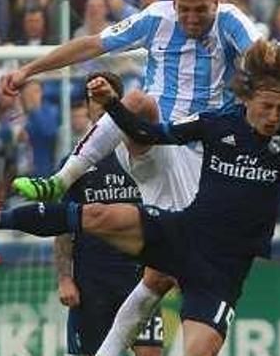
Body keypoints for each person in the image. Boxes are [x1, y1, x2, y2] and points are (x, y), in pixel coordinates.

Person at [0, 39, 280, 356]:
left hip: (222, 268)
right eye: (266, 106)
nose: (273, 117)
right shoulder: (218, 121)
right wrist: (115, 105)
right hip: (184, 231)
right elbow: (149, 134)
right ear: (247, 98)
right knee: (95, 214)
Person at [3, 0, 261, 200]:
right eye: (184, 9)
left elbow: (263, 56)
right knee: (138, 101)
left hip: (199, 146)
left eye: (201, 9)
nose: (192, 18)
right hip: (150, 135)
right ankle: (59, 181)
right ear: (173, 4)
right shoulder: (156, 18)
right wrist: (28, 70)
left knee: (178, 237)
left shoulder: (229, 20)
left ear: (216, 2)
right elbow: (92, 45)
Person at [56, 72, 163, 356]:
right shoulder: (73, 165)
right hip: (92, 282)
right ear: (87, 106)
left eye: (109, 98)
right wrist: (65, 278)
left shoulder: (143, 155)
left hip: (141, 278)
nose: (100, 104)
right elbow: (63, 225)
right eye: (94, 98)